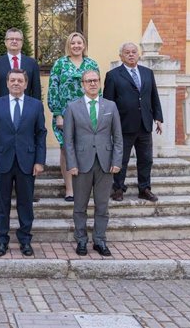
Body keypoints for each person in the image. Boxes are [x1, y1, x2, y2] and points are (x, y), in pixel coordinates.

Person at [0, 69, 47, 257]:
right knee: (2, 204)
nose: (16, 83)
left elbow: (40, 135)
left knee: (25, 203)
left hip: (27, 161)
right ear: (7, 83)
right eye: (13, 80)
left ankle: (25, 240)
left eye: (20, 80)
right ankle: (2, 240)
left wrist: (39, 161)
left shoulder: (35, 105)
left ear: (26, 84)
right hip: (2, 160)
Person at [63, 69, 122, 257]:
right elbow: (68, 139)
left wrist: (117, 160)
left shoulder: (111, 106)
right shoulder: (73, 107)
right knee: (79, 206)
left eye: (95, 80)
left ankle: (99, 240)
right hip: (81, 163)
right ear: (82, 84)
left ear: (100, 83)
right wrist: (71, 163)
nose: (92, 84)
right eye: (88, 81)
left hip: (105, 163)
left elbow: (118, 137)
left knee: (102, 205)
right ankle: (81, 240)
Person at [103, 42, 163, 202]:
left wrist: (158, 118)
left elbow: (153, 96)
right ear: (121, 56)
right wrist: (109, 124)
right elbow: (108, 102)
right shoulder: (113, 75)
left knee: (146, 159)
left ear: (138, 54)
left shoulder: (147, 73)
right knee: (121, 159)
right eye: (127, 52)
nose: (131, 54)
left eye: (134, 52)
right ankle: (118, 189)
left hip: (145, 124)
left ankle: (144, 188)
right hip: (123, 125)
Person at [47, 32, 100, 202]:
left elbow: (97, 87)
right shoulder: (60, 64)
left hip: (87, 113)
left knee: (85, 148)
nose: (76, 46)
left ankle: (83, 188)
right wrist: (57, 114)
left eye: (79, 43)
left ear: (84, 45)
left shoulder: (91, 63)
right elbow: (53, 88)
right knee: (66, 149)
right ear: (68, 45)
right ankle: (69, 188)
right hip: (65, 113)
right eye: (73, 43)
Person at [0, 27, 41, 104]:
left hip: (26, 110)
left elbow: (36, 91)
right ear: (5, 42)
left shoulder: (32, 63)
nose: (14, 41)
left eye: (18, 39)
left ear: (22, 42)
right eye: (11, 39)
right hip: (3, 109)